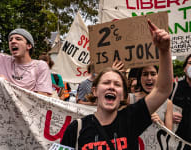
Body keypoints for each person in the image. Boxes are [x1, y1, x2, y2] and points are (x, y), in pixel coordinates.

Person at [60, 20, 173, 149]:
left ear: (123, 94)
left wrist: (164, 50)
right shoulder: (76, 129)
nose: (111, 86)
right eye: (106, 82)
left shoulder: (131, 119)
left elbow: (162, 90)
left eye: (117, 84)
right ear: (95, 91)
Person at [0, 23, 52, 95]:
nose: (13, 41)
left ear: (29, 46)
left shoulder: (40, 66)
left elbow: (42, 98)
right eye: (10, 40)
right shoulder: (0, 60)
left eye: (18, 39)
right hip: (1, 114)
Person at [129, 66, 173, 130]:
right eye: (145, 74)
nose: (149, 78)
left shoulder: (167, 103)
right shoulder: (129, 99)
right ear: (140, 78)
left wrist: (161, 124)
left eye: (153, 74)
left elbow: (170, 136)